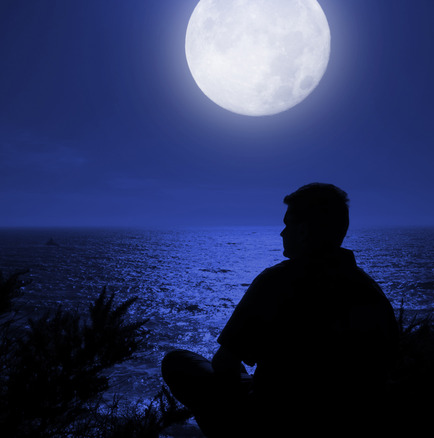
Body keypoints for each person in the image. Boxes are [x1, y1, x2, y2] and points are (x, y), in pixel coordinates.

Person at [162, 183, 399, 437]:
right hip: (352, 419)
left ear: (304, 231)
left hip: (275, 419)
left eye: (288, 225)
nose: (282, 233)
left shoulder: (278, 281)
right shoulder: (370, 290)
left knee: (178, 362)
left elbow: (224, 363)